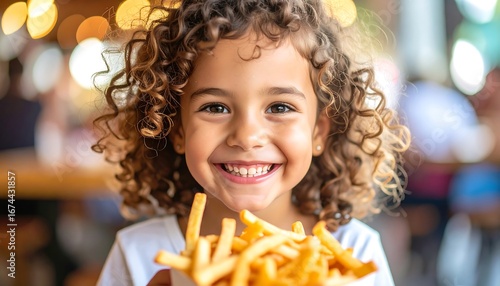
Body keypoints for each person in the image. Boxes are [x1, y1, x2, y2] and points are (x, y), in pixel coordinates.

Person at [93, 0, 410, 285]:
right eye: (215, 108)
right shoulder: (137, 255)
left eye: (279, 108)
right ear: (177, 130)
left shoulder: (355, 254)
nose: (246, 137)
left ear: (318, 132)